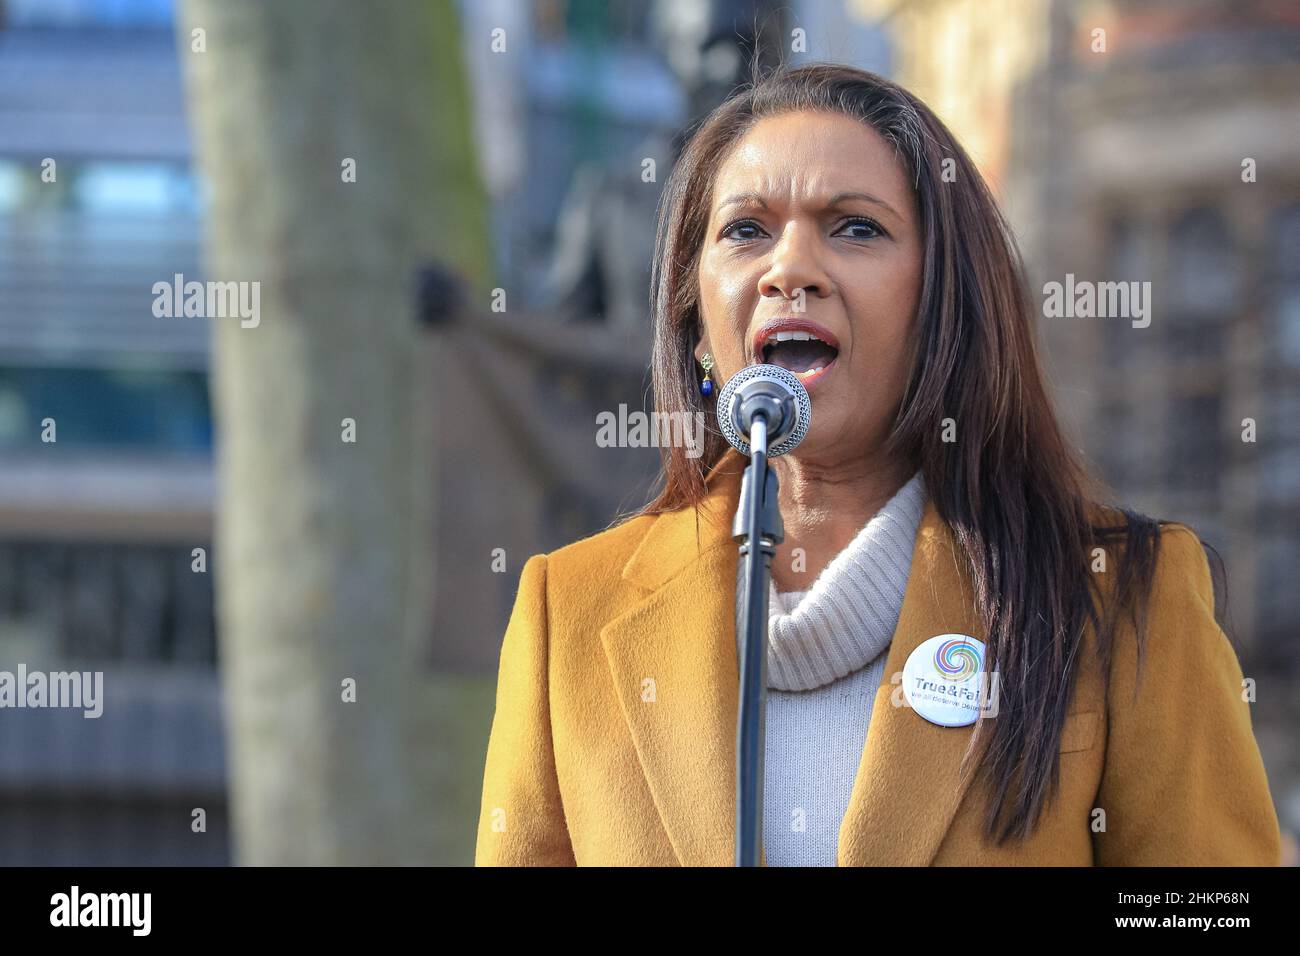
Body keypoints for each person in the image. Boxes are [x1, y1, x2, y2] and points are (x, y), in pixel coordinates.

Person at [475, 63, 1282, 866]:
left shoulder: (1122, 600)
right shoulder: (567, 619)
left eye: (856, 227)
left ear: (942, 307)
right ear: (693, 323)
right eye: (745, 231)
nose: (791, 269)